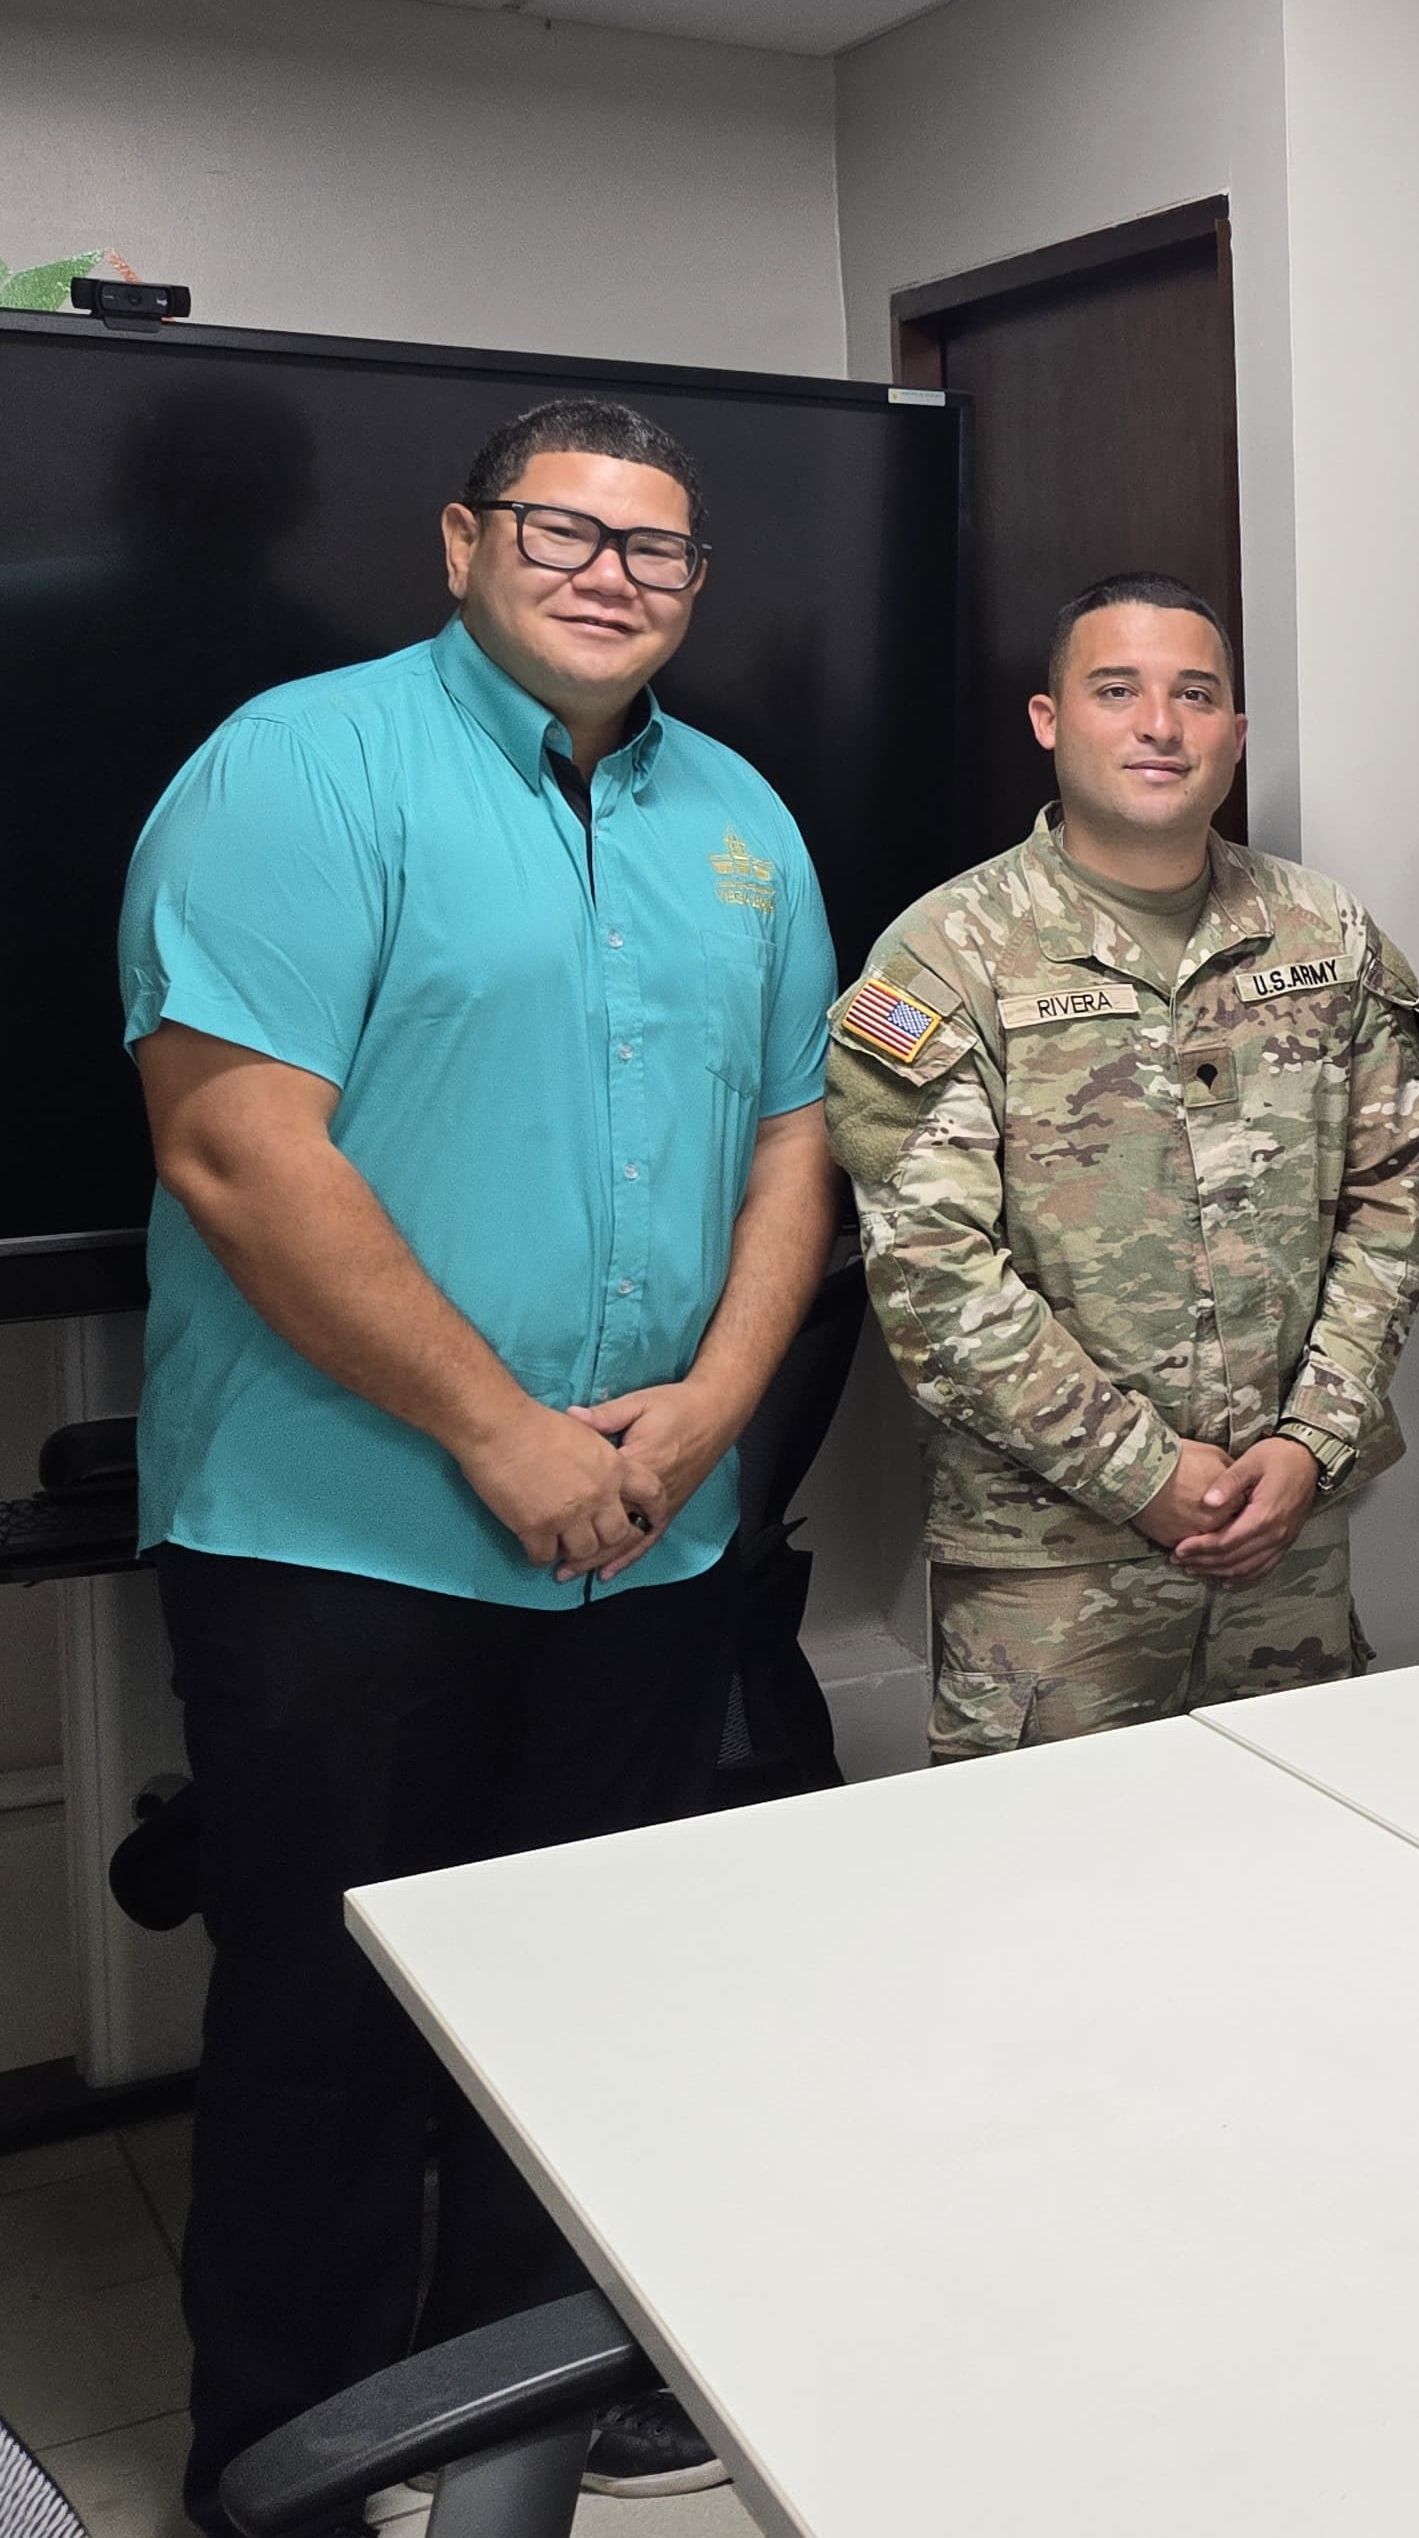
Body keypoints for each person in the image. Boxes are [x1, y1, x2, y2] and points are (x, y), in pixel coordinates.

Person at [121, 398, 841, 2523]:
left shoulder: (744, 823)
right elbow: (238, 1149)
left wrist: (711, 1412)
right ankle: (296, 2459)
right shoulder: (299, 769)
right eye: (566, 529)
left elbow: (799, 1132)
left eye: (660, 550)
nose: (614, 573)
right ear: (461, 542)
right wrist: (502, 1435)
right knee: (331, 2024)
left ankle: (529, 2401)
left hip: (649, 1529)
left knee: (582, 2003)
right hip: (349, 1535)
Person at [829, 574, 1419, 1754]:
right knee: (1054, 1899)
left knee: (1303, 1871)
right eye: (1118, 690)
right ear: (1049, 720)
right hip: (1053, 1567)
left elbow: (1394, 1202)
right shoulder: (946, 954)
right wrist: (1145, 1472)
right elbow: (933, 1277)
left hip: (1286, 1537)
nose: (1161, 724)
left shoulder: (1328, 937)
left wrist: (1310, 1445)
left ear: (1237, 735)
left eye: (1195, 695)